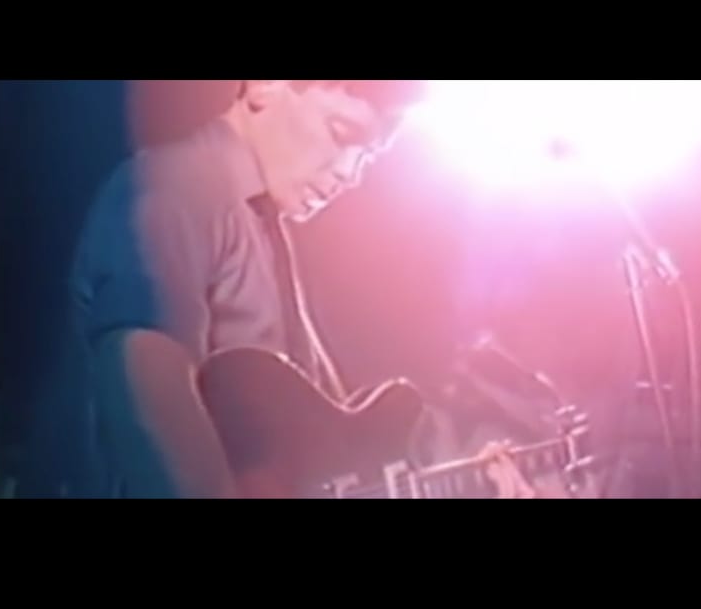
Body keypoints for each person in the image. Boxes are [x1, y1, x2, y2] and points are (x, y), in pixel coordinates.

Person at [70, 80, 542, 498]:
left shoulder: (265, 229)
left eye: (368, 157)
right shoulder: (181, 184)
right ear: (264, 86)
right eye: (341, 134)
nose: (350, 173)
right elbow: (141, 379)